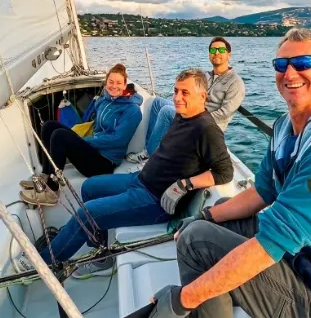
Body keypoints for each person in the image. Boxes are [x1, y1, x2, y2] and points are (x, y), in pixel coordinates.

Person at [150, 28, 311, 318]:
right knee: (211, 218)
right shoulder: (284, 128)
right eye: (281, 65)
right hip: (304, 259)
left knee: (196, 242)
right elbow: (262, 191)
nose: (290, 74)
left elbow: (274, 241)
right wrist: (206, 215)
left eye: (304, 63)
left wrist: (181, 300)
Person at [18, 68, 234, 273]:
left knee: (88, 214)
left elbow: (225, 172)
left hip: (155, 200)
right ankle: (100, 252)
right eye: (176, 91)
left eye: (185, 93)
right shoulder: (182, 115)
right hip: (140, 180)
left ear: (202, 96)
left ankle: (45, 263)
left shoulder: (207, 130)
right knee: (90, 187)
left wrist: (185, 184)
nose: (177, 98)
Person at [19, 63, 143, 207]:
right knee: (49, 126)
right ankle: (46, 177)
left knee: (60, 135)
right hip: (93, 151)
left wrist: (86, 141)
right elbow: (97, 126)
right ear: (106, 82)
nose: (114, 86)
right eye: (111, 81)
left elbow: (118, 140)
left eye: (118, 83)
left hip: (104, 162)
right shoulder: (105, 101)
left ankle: (52, 190)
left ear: (125, 85)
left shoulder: (132, 110)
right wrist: (84, 141)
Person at [145, 37, 246, 154]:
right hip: (191, 111)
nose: (217, 53)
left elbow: (225, 113)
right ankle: (149, 146)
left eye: (221, 50)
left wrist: (195, 118)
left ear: (229, 55)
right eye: (213, 50)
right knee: (157, 102)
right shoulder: (206, 76)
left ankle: (150, 155)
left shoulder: (235, 82)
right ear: (209, 54)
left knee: (166, 111)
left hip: (206, 126)